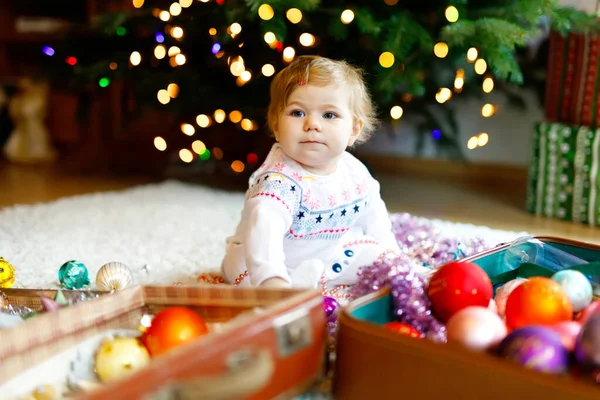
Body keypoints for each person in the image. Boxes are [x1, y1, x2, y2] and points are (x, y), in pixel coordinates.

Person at [221, 55, 401, 290]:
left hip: (329, 255)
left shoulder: (354, 171)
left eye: (329, 115)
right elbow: (264, 232)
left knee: (372, 254)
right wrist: (272, 281)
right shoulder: (279, 181)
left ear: (353, 130)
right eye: (297, 113)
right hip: (265, 257)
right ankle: (285, 286)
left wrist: (392, 256)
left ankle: (316, 279)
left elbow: (374, 217)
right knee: (244, 274)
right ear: (276, 126)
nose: (312, 124)